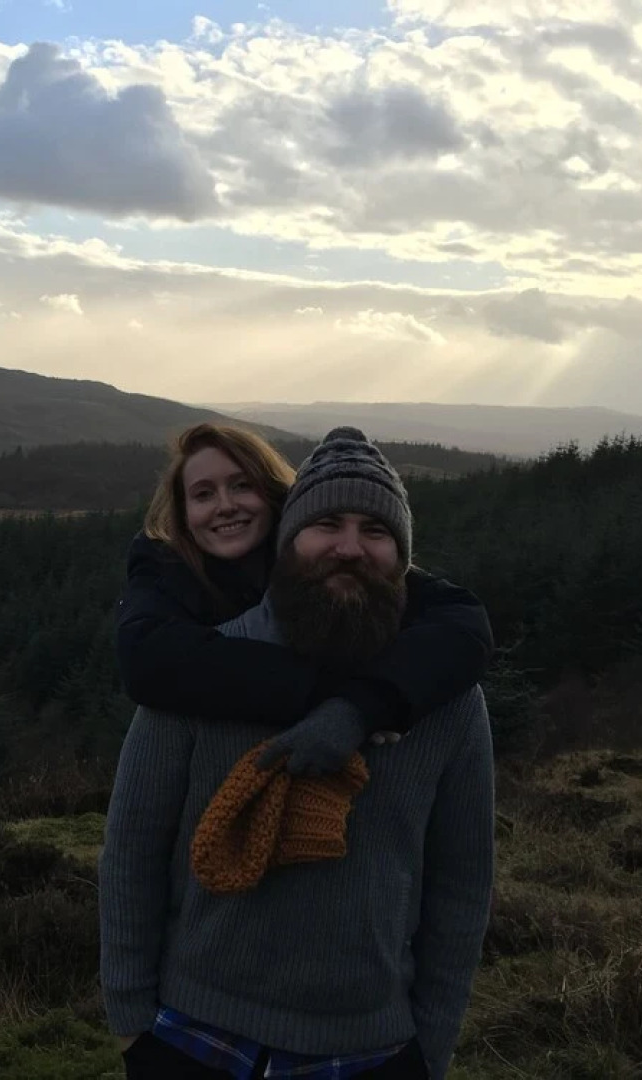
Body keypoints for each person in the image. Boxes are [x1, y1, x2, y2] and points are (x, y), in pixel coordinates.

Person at [100, 428, 495, 1079]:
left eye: (375, 529)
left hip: (374, 1048)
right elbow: (132, 853)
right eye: (327, 524)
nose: (348, 546)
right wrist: (132, 1024)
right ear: (289, 542)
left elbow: (462, 887)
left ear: (401, 555)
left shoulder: (443, 700)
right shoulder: (195, 671)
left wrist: (430, 1048)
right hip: (194, 1037)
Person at [116, 423, 492, 775]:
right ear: (183, 514)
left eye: (243, 485)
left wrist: (362, 707)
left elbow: (462, 619)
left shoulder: (325, 563)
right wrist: (333, 691)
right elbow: (146, 658)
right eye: (203, 494)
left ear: (276, 497)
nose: (225, 505)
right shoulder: (165, 566)